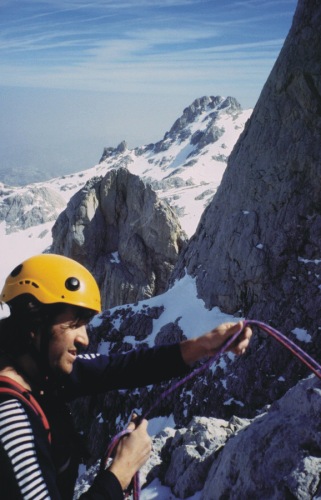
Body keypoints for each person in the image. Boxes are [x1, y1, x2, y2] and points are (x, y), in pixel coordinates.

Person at [0, 254, 252, 499]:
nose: (85, 339)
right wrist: (121, 471)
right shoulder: (11, 418)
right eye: (75, 323)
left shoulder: (39, 372)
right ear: (34, 323)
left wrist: (203, 346)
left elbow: (119, 368)